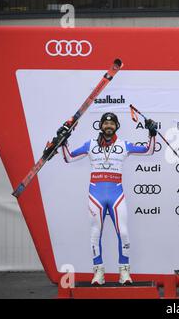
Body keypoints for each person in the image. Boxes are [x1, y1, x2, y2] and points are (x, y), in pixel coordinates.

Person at [61, 112, 158, 285]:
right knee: (95, 234)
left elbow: (149, 150)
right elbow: (68, 157)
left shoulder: (123, 145)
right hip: (96, 195)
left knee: (124, 233)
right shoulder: (90, 144)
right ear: (100, 126)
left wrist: (151, 133)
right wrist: (64, 141)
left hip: (116, 195)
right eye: (105, 124)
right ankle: (98, 273)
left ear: (116, 126)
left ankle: (124, 272)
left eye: (112, 124)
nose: (108, 126)